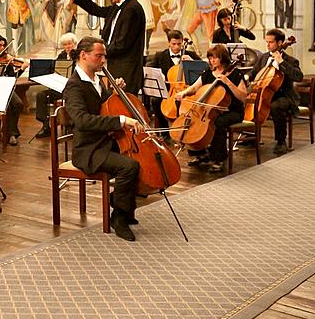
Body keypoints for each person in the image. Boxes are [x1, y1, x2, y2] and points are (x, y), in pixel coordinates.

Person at [63, 36, 143, 242]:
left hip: (106, 142)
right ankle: (118, 217)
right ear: (83, 55)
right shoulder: (74, 86)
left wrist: (115, 92)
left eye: (104, 56)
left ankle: (122, 205)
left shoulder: (97, 80)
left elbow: (104, 107)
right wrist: (122, 120)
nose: (103, 60)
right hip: (89, 150)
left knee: (140, 161)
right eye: (99, 56)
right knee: (129, 167)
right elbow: (82, 120)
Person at [175, 44, 247, 173]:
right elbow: (195, 87)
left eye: (215, 58)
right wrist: (184, 93)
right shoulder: (208, 73)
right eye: (210, 58)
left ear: (223, 58)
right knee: (193, 121)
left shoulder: (236, 73)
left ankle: (218, 159)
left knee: (218, 123)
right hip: (211, 110)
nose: (212, 60)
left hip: (233, 111)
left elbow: (243, 97)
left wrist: (228, 82)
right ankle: (200, 153)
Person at [70, 0, 145, 94]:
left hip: (126, 70)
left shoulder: (132, 9)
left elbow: (122, 44)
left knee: (123, 109)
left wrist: (96, 53)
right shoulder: (118, 7)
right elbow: (96, 10)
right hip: (115, 67)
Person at [248, 29, 304, 155]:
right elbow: (253, 73)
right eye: (267, 42)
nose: (268, 45)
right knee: (246, 101)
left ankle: (281, 141)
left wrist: (281, 62)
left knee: (276, 106)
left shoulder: (290, 60)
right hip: (267, 94)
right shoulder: (263, 57)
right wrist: (246, 78)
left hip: (284, 96)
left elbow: (298, 76)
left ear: (280, 43)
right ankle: (250, 135)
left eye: (271, 42)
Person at [146, 30, 200, 134]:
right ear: (168, 43)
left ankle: (190, 131)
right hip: (168, 90)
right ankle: (164, 130)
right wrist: (160, 75)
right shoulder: (160, 56)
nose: (176, 47)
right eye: (173, 44)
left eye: (179, 44)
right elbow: (151, 69)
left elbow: (204, 70)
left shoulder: (190, 54)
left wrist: (192, 62)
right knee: (155, 101)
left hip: (186, 91)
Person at [35, 33, 78, 138]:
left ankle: (71, 125)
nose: (67, 47)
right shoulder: (61, 56)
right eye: (65, 45)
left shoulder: (78, 55)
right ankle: (46, 126)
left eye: (69, 44)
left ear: (74, 44)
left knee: (71, 97)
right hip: (60, 87)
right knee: (41, 95)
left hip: (73, 88)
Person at [0, 35, 26, 145]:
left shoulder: (8, 60)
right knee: (9, 106)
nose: (2, 48)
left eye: (4, 45)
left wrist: (22, 69)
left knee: (18, 104)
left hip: (6, 88)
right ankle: (12, 134)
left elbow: (12, 78)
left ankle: (7, 130)